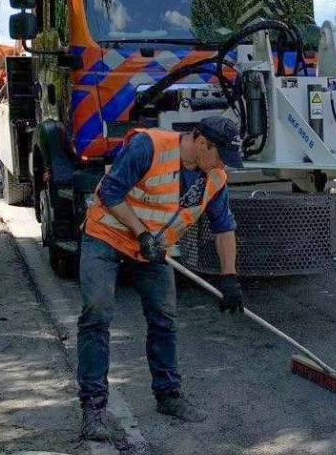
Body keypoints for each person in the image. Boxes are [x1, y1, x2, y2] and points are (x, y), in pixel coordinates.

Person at [76, 117, 244, 440]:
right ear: (200, 141)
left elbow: (224, 227)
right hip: (107, 237)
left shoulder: (215, 178)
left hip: (150, 251)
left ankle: (168, 395)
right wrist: (141, 233)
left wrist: (230, 277)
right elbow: (110, 191)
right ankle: (93, 408)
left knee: (164, 317)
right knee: (97, 312)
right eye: (219, 155)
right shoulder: (149, 146)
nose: (222, 164)